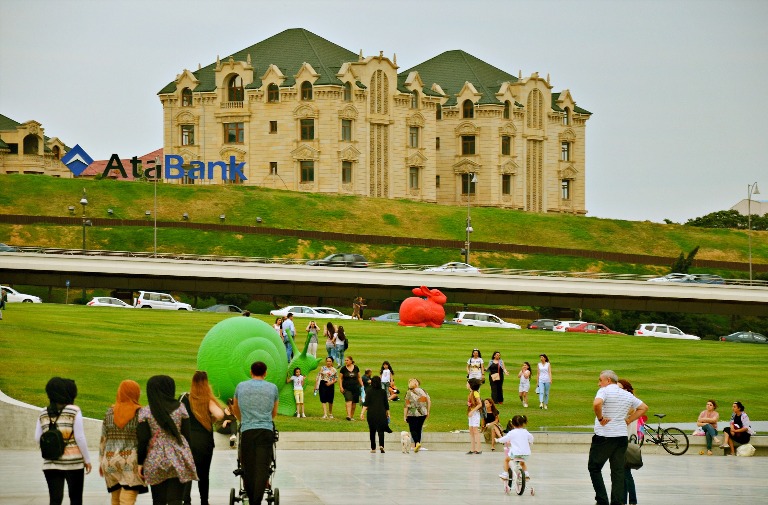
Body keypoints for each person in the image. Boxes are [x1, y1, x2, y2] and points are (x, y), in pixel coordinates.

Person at [588, 370, 647, 505]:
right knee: (618, 471)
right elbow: (643, 407)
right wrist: (628, 420)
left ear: (608, 380)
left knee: (594, 467)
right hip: (621, 437)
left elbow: (596, 404)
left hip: (605, 436)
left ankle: (602, 500)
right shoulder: (626, 394)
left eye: (600, 380)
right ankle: (617, 501)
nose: (599, 384)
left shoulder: (605, 391)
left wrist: (601, 418)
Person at [137, 375, 197, 505]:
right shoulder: (180, 408)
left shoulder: (145, 412)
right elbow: (187, 435)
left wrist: (140, 462)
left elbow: (142, 440)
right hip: (178, 455)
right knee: (176, 499)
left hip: (155, 457)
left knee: (158, 500)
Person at [35, 377, 92, 505]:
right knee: (76, 498)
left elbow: (37, 437)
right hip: (73, 462)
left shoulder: (43, 412)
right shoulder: (73, 410)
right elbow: (80, 437)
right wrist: (87, 460)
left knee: (55, 499)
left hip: (51, 462)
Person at [233, 361, 279, 505]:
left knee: (248, 466)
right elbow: (274, 412)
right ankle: (256, 500)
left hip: (247, 430)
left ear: (251, 372)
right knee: (262, 467)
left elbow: (235, 408)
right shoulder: (272, 388)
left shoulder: (241, 386)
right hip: (265, 430)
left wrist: (244, 420)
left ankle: (251, 497)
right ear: (265, 373)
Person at [99, 379, 148, 505]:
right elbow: (144, 439)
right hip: (129, 461)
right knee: (127, 499)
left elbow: (103, 439)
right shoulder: (140, 413)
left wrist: (101, 461)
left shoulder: (109, 412)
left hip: (109, 460)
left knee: (115, 499)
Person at [180, 371, 225, 505]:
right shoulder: (208, 400)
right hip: (204, 442)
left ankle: (186, 500)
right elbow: (220, 415)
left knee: (187, 471)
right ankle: (204, 501)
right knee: (204, 473)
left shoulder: (184, 398)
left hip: (187, 440)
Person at [618, 379, 639, 505]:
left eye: (620, 388)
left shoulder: (629, 402)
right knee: (624, 472)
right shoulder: (631, 401)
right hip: (627, 439)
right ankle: (625, 500)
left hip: (626, 440)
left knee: (625, 473)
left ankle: (631, 500)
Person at [496, 414, 533, 480]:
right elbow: (531, 438)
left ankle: (505, 474)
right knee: (522, 463)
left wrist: (498, 440)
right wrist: (530, 443)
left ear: (512, 424)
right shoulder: (526, 432)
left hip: (516, 453)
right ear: (523, 423)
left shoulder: (512, 432)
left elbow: (505, 439)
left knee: (506, 460)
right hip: (526, 453)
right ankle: (526, 474)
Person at [360, 375, 391, 453]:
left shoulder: (369, 392)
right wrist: (388, 413)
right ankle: (381, 445)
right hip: (381, 413)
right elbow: (386, 404)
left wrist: (362, 413)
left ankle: (373, 448)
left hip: (371, 414)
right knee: (381, 430)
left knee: (372, 431)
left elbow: (366, 404)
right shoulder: (383, 392)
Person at [404, 378, 430, 452]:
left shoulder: (408, 393)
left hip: (412, 414)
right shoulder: (423, 391)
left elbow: (406, 405)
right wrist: (428, 411)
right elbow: (429, 401)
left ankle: (417, 443)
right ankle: (417, 445)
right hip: (423, 413)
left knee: (413, 429)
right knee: (419, 429)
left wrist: (404, 416)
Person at [339, 355, 364, 421]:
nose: (346, 361)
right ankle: (349, 415)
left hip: (355, 388)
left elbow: (359, 377)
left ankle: (351, 416)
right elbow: (340, 378)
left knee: (354, 402)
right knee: (349, 400)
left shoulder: (356, 368)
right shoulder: (343, 369)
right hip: (346, 388)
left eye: (347, 360)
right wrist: (341, 387)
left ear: (351, 361)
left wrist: (362, 385)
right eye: (345, 360)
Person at [466, 380, 483, 454]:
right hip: (471, 413)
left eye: (467, 383)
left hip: (475, 413)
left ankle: (478, 449)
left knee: (475, 431)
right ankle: (472, 449)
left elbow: (480, 404)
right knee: (471, 430)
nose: (466, 385)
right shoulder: (471, 393)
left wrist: (472, 411)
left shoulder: (475, 393)